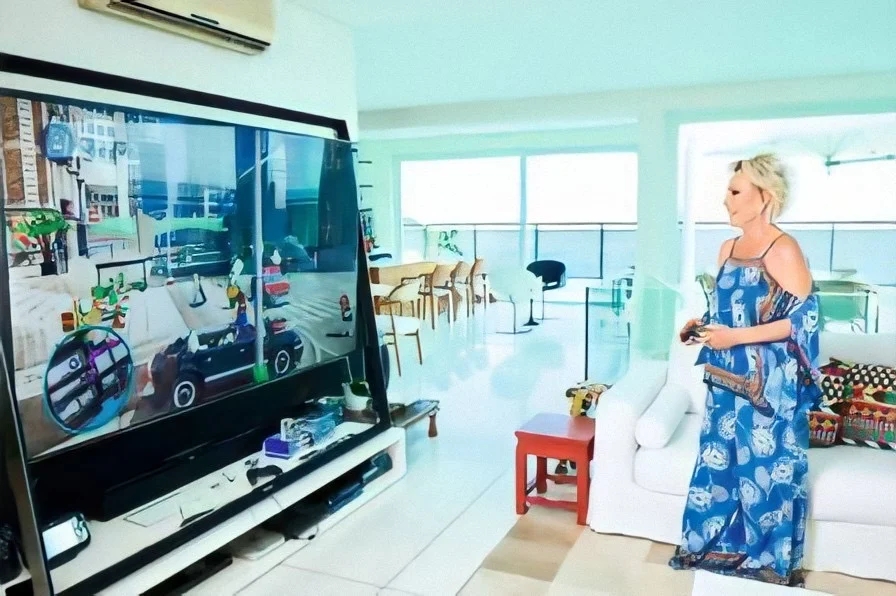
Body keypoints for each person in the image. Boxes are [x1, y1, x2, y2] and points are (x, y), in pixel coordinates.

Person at [668, 153, 822, 587]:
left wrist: (734, 338)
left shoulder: (783, 248)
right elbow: (729, 310)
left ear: (764, 197)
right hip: (724, 381)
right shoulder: (726, 248)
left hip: (768, 389)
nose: (726, 200)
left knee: (766, 471)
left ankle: (765, 561)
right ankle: (714, 551)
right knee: (719, 467)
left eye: (735, 192)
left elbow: (802, 321)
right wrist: (699, 326)